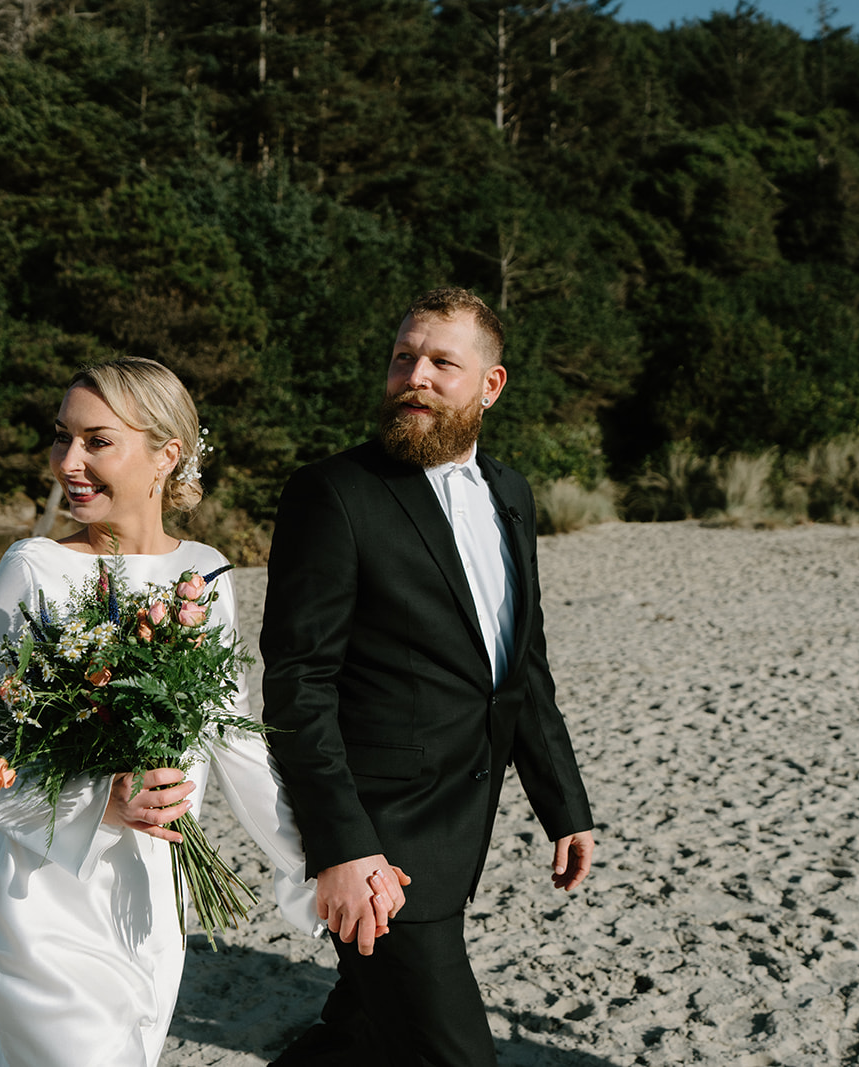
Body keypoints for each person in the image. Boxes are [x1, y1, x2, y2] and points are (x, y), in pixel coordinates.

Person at [0, 358, 330, 1067]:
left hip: (152, 904)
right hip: (43, 898)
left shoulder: (204, 573)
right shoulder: (34, 570)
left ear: (166, 455)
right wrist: (93, 800)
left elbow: (230, 738)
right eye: (61, 437)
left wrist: (318, 861)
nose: (67, 462)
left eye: (96, 441)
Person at [261, 287, 597, 1066]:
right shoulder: (335, 492)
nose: (414, 375)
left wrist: (563, 805)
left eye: (442, 361)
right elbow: (297, 683)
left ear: (491, 384)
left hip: (461, 832)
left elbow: (520, 669)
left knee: (356, 1036)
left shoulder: (512, 495)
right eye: (403, 357)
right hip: (380, 853)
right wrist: (340, 847)